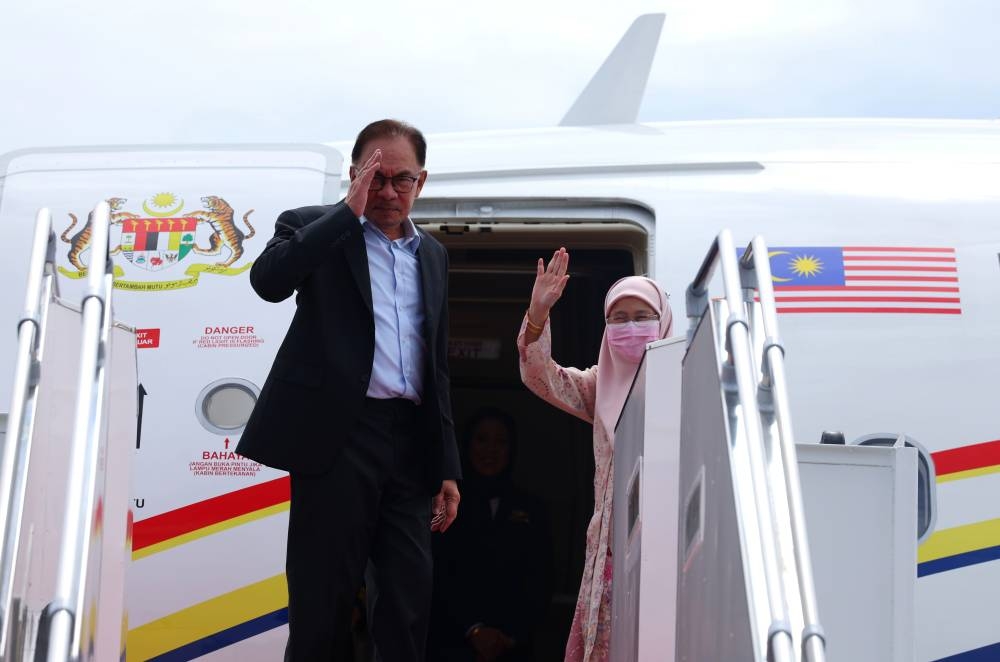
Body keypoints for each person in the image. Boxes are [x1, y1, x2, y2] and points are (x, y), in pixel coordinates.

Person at [236, 119, 462, 662]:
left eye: (400, 180)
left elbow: (437, 369)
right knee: (323, 606)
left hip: (408, 445)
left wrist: (447, 465)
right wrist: (347, 213)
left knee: (407, 603)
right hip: (339, 441)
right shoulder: (314, 226)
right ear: (355, 175)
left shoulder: (432, 256)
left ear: (421, 182)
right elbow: (268, 282)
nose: (387, 192)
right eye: (375, 178)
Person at [516, 248, 672, 662]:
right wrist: (536, 315)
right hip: (607, 551)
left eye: (643, 317)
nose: (631, 327)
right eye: (618, 319)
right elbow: (541, 376)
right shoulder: (599, 386)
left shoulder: (685, 382)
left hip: (666, 550)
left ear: (665, 320)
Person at [427, 408, 553, 662]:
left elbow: (542, 579)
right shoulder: (445, 505)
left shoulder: (532, 509)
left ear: (512, 449)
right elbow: (436, 573)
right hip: (449, 644)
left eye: (500, 441)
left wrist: (509, 635)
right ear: (467, 444)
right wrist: (472, 629)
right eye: (482, 439)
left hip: (512, 648)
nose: (490, 450)